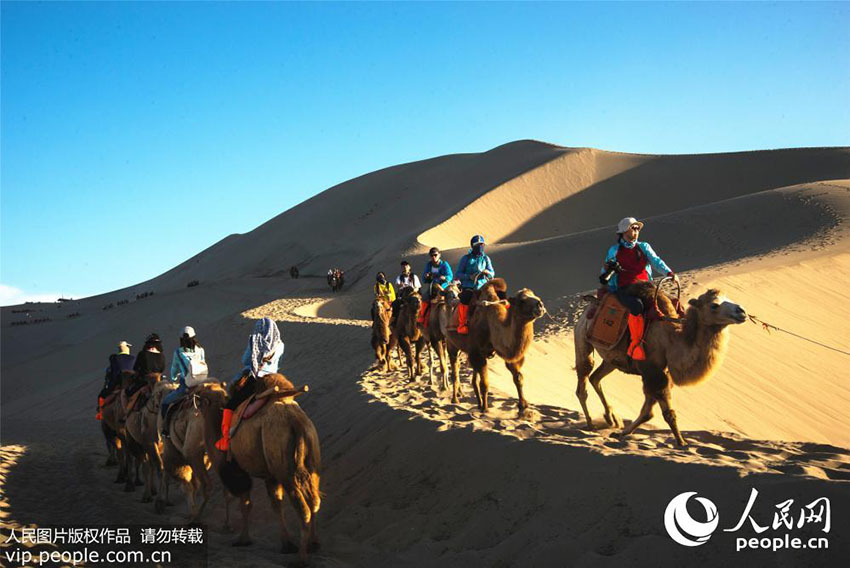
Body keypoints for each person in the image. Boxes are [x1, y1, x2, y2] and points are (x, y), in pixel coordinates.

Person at [600, 216, 677, 361]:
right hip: (624, 288)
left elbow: (656, 261)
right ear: (624, 232)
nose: (636, 231)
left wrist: (669, 272)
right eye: (633, 228)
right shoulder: (615, 251)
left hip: (645, 287)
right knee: (637, 306)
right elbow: (605, 272)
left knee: (671, 302)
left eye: (637, 228)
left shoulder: (644, 247)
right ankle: (635, 345)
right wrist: (608, 270)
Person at [215, 317, 285, 451]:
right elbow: (279, 363)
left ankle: (225, 439)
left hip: (257, 380)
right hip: (274, 378)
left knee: (231, 404)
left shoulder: (255, 341)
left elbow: (245, 360)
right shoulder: (280, 344)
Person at [160, 326, 208, 436]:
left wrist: (173, 378)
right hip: (201, 384)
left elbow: (174, 369)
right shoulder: (201, 350)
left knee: (165, 402)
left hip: (186, 386)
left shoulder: (178, 352)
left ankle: (165, 431)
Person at [454, 235, 495, 334]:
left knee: (495, 297)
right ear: (472, 246)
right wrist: (469, 276)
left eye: (482, 244)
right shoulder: (466, 259)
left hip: (483, 286)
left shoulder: (486, 258)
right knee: (465, 299)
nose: (480, 247)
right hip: (469, 287)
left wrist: (488, 272)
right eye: (477, 245)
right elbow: (458, 274)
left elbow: (492, 273)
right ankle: (462, 324)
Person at [96, 340, 135, 420]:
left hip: (117, 384)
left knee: (101, 395)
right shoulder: (133, 359)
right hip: (131, 384)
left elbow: (110, 375)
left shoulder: (114, 359)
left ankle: (100, 413)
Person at [418, 247, 454, 325]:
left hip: (444, 286)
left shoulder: (444, 264)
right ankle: (422, 316)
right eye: (432, 255)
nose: (433, 257)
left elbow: (450, 276)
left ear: (439, 255)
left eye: (435, 255)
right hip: (433, 286)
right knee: (424, 298)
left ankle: (453, 316)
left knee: (453, 297)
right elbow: (424, 279)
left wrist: (445, 277)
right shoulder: (429, 265)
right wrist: (426, 276)